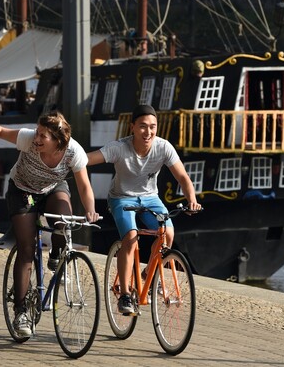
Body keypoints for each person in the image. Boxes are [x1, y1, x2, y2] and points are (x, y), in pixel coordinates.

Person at [0, 110, 98, 339]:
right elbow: (2, 131)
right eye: (37, 132)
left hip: (52, 189)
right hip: (23, 190)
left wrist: (91, 210)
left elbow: (84, 186)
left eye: (43, 136)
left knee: (63, 222)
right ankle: (21, 311)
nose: (37, 138)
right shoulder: (28, 139)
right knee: (26, 249)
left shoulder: (74, 152)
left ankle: (56, 254)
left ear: (58, 139)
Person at [86, 104, 202, 315]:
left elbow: (183, 177)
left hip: (150, 198)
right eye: (142, 126)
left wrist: (191, 199)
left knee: (167, 233)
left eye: (152, 127)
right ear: (132, 127)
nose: (148, 132)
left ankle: (147, 274)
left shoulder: (163, 147)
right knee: (131, 237)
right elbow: (87, 159)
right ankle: (125, 295)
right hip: (121, 198)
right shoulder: (119, 148)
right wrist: (67, 157)